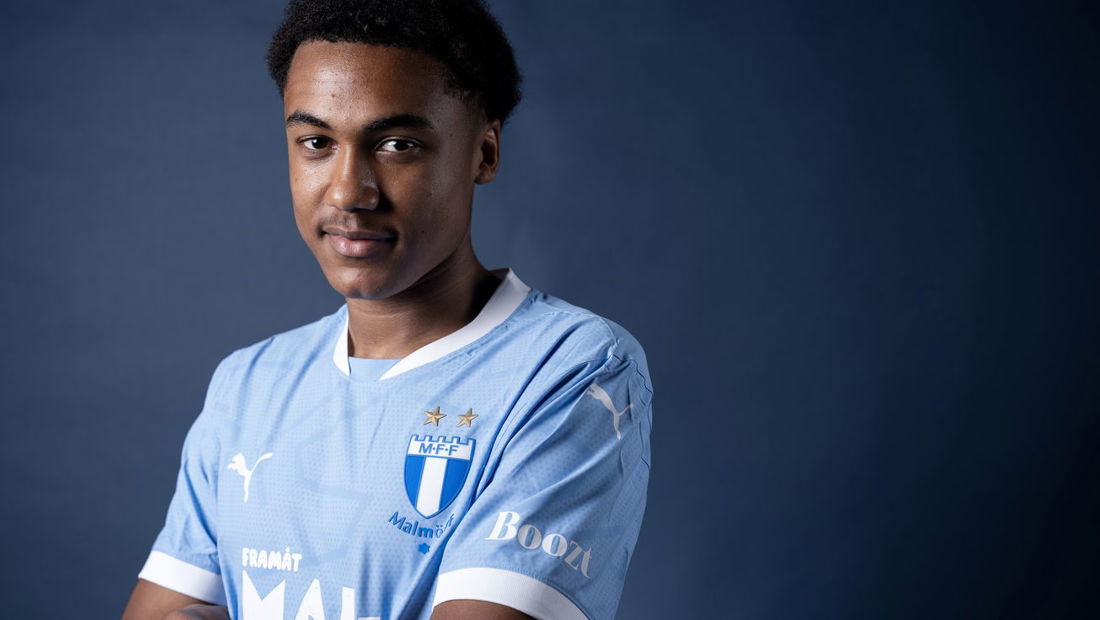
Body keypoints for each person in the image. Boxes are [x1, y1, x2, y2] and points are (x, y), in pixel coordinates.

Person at [122, 1, 653, 618]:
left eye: (398, 145)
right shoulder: (249, 382)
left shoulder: (571, 370)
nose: (349, 192)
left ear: (484, 152)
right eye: (316, 142)